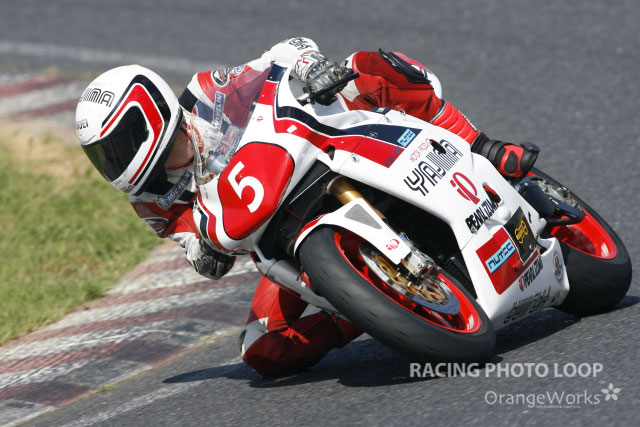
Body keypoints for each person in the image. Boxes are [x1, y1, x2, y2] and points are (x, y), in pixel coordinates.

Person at [75, 37, 538, 376]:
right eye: (103, 156)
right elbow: (194, 249)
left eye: (118, 145)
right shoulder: (149, 201)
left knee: (366, 67)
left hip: (315, 154)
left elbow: (276, 56)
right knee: (262, 349)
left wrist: (311, 66)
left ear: (149, 113)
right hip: (283, 238)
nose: (113, 162)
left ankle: (480, 146)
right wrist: (207, 255)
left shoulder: (203, 94)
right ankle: (368, 304)